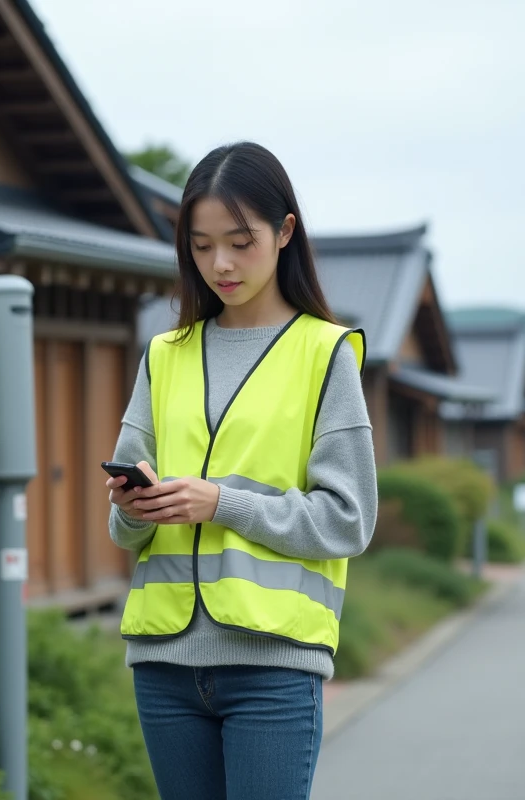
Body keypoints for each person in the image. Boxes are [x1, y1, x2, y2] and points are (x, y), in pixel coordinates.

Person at [105, 141, 378, 800]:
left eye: (239, 241)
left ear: (285, 232)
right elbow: (123, 531)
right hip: (164, 664)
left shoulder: (324, 354)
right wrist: (133, 507)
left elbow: (348, 521)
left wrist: (220, 502)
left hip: (274, 666)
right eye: (200, 246)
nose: (219, 264)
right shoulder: (164, 356)